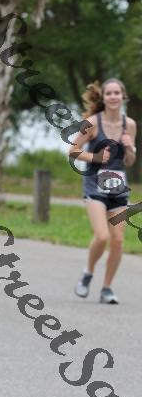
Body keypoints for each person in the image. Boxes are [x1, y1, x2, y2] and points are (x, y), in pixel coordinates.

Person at [70, 78, 136, 304]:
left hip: (118, 188)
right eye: (109, 93)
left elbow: (129, 161)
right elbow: (73, 151)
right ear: (104, 97)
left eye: (117, 93)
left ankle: (107, 288)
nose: (113, 97)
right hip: (93, 185)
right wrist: (96, 157)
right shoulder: (92, 123)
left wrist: (130, 148)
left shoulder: (130, 125)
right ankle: (88, 273)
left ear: (123, 96)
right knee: (102, 236)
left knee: (118, 240)